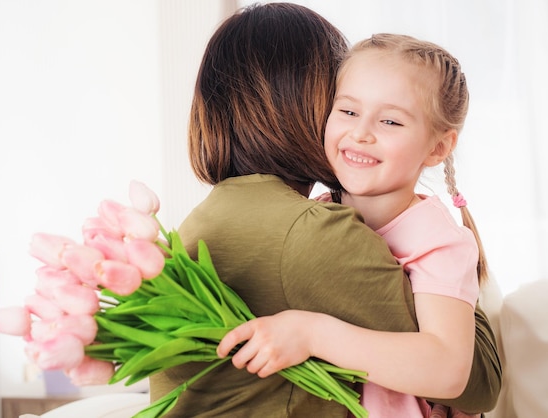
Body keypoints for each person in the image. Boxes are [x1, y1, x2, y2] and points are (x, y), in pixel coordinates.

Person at [149, 3, 501, 417]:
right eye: (347, 110)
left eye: (391, 122)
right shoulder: (313, 223)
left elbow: (457, 375)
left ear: (438, 147)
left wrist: (312, 333)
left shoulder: (435, 240)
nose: (360, 132)